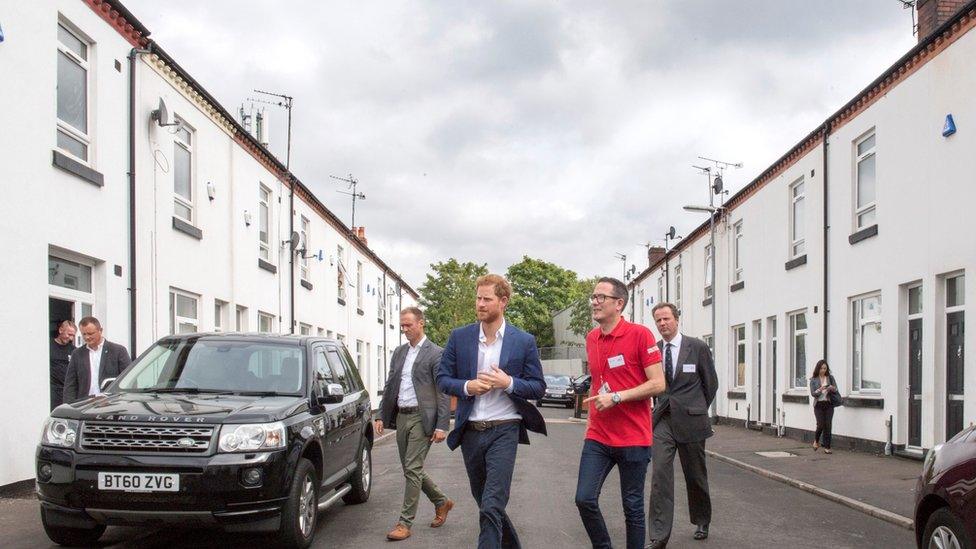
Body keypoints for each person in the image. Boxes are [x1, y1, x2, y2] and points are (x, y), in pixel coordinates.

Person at [436, 274, 547, 549]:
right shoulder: (459, 337)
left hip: (505, 429)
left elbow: (538, 387)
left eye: (487, 299)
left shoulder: (523, 341)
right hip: (471, 432)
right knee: (485, 503)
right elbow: (442, 378)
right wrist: (467, 386)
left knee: (492, 504)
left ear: (503, 301)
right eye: (478, 298)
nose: (480, 304)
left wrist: (508, 383)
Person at [576, 277, 665, 549]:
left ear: (619, 303)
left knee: (632, 506)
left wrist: (617, 397)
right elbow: (596, 380)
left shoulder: (640, 335)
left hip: (633, 438)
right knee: (584, 498)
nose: (595, 302)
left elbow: (658, 383)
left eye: (601, 297)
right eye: (593, 297)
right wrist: (590, 424)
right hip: (599, 437)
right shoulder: (592, 338)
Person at [376, 307, 454, 541]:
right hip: (402, 416)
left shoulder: (436, 353)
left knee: (411, 468)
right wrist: (380, 413)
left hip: (423, 417)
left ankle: (404, 523)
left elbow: (442, 391)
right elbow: (390, 384)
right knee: (411, 469)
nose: (405, 329)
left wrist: (442, 425)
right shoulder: (399, 352)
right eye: (402, 325)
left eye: (409, 324)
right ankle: (442, 501)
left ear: (421, 324)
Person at [647, 303, 718, 548]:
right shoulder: (654, 350)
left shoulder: (696, 347)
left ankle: (701, 519)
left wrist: (696, 407)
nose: (662, 324)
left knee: (695, 474)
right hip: (663, 420)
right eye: (658, 320)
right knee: (660, 475)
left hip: (692, 420)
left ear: (676, 320)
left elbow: (711, 384)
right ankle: (659, 535)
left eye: (666, 319)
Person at [62, 317, 131, 404]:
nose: (87, 337)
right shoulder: (77, 354)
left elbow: (129, 379)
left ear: (100, 331)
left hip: (112, 404)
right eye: (84, 334)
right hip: (84, 405)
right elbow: (70, 384)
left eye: (90, 333)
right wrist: (69, 407)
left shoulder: (118, 351)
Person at [809, 359, 840, 454]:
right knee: (820, 425)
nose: (823, 370)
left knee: (828, 425)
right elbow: (813, 393)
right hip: (818, 405)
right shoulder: (813, 380)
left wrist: (831, 388)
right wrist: (820, 389)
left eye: (825, 368)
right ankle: (816, 441)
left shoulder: (830, 378)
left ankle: (827, 447)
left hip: (828, 404)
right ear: (818, 369)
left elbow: (836, 389)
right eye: (821, 368)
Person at [50, 319, 77, 410]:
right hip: (51, 392)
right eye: (69, 334)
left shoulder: (74, 351)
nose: (71, 338)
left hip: (67, 393)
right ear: (61, 330)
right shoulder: (48, 346)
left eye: (73, 335)